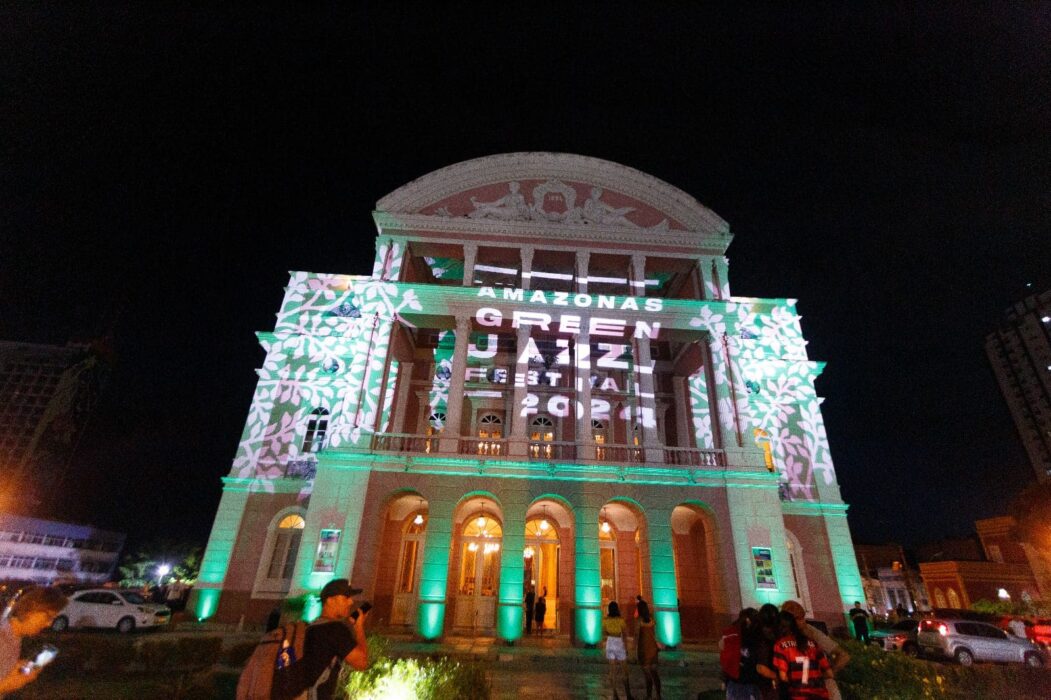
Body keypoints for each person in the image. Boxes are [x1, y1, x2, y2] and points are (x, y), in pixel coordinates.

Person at [278, 578, 368, 700]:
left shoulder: (309, 628)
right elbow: (361, 663)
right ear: (330, 601)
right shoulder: (336, 629)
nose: (351, 602)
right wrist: (358, 627)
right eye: (346, 597)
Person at [0, 586, 67, 697]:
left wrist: (14, 670)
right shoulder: (3, 638)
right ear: (30, 609)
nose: (49, 624)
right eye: (48, 617)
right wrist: (7, 685)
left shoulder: (14, 636)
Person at [781, 600, 848, 700]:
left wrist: (826, 675)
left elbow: (843, 656)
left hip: (825, 691)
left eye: (803, 617)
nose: (803, 622)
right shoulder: (783, 637)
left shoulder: (810, 631)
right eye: (798, 619)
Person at [772, 610, 831, 700]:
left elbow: (783, 677)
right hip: (820, 695)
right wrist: (813, 679)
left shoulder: (780, 645)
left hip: (799, 695)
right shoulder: (812, 643)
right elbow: (829, 673)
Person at [603, 601, 633, 700]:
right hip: (618, 642)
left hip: (610, 642)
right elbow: (624, 634)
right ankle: (628, 694)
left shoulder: (605, 620)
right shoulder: (620, 620)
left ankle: (615, 694)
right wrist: (626, 647)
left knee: (612, 671)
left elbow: (604, 632)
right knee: (625, 670)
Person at [634, 599, 661, 699]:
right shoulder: (652, 619)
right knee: (655, 673)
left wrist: (633, 649)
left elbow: (636, 636)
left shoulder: (639, 621)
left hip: (644, 649)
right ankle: (658, 695)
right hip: (653, 648)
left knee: (647, 674)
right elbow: (655, 634)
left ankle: (649, 696)